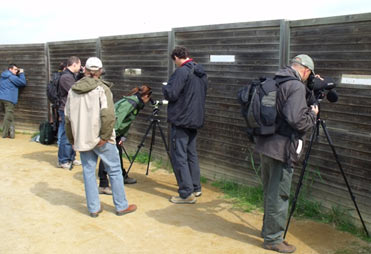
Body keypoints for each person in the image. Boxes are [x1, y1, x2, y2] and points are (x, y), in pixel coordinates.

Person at [255, 54, 319, 253]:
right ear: (306, 71)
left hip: (265, 144)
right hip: (281, 149)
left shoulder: (275, 80)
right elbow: (296, 120)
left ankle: (268, 230)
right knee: (280, 194)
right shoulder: (296, 86)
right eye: (309, 76)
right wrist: (312, 115)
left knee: (270, 191)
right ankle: (273, 239)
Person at [65, 56, 137, 217]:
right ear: (99, 71)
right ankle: (121, 206)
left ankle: (93, 208)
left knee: (88, 172)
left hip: (82, 139)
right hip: (101, 139)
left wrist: (72, 139)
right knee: (115, 170)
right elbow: (108, 115)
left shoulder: (73, 90)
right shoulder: (102, 89)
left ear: (85, 70)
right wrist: (104, 136)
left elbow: (68, 118)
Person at [162, 46, 208, 204]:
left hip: (181, 120)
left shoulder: (181, 72)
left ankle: (186, 193)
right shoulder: (200, 71)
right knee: (191, 154)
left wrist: (165, 87)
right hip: (195, 119)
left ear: (176, 57)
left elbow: (172, 93)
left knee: (179, 156)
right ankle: (196, 187)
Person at [98, 85, 152, 195]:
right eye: (149, 99)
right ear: (145, 96)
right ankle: (103, 185)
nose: (148, 102)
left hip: (116, 132)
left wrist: (123, 136)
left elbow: (127, 122)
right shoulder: (131, 103)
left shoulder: (134, 101)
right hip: (111, 131)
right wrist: (111, 136)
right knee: (107, 156)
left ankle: (122, 176)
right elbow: (117, 118)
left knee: (118, 153)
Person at [57, 56, 81, 169]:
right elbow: (76, 90)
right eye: (80, 65)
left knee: (73, 135)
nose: (81, 67)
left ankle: (71, 157)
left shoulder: (71, 76)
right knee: (66, 136)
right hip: (66, 110)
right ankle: (63, 160)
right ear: (74, 64)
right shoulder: (66, 77)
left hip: (71, 109)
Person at [0, 64, 27, 139]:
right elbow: (23, 83)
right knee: (8, 116)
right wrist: (21, 73)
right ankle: (4, 134)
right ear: (10, 69)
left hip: (2, 97)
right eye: (15, 69)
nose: (16, 71)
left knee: (9, 115)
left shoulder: (3, 75)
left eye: (17, 69)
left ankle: (11, 134)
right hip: (9, 99)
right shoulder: (11, 77)